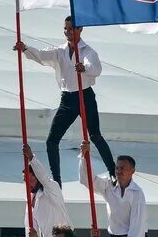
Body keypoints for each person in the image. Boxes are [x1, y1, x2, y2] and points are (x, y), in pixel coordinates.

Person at [14, 16, 115, 185]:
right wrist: (25, 49)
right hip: (68, 99)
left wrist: (85, 68)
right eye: (65, 29)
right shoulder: (60, 51)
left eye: (71, 29)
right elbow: (41, 55)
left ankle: (112, 171)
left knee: (95, 135)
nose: (68, 32)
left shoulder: (87, 51)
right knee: (51, 141)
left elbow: (95, 68)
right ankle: (57, 181)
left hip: (85, 97)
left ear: (80, 29)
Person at [79, 140, 150, 237]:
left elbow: (137, 225)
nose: (119, 171)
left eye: (123, 168)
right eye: (117, 168)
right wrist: (84, 156)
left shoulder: (137, 193)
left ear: (132, 171)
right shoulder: (108, 185)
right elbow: (87, 180)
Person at [22, 144, 70, 237]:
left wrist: (32, 158)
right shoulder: (31, 199)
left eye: (31, 180)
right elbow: (30, 228)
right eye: (25, 181)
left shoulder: (52, 188)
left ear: (37, 177)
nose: (28, 184)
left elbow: (43, 177)